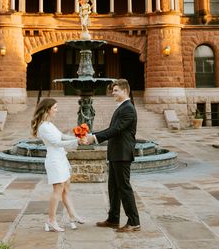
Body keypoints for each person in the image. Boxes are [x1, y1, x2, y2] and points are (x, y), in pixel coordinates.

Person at [82, 79, 140, 233]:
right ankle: (113, 218)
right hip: (116, 153)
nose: (112, 93)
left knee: (124, 188)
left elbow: (116, 130)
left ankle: (134, 222)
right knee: (113, 188)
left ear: (125, 91)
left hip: (122, 154)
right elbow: (112, 128)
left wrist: (93, 138)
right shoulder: (122, 107)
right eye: (112, 90)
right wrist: (93, 135)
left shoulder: (128, 108)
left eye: (115, 90)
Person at [31, 98, 85, 232]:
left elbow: (62, 136)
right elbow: (56, 143)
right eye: (55, 108)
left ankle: (73, 216)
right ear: (47, 109)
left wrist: (77, 138)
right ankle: (51, 220)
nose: (56, 110)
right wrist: (77, 143)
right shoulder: (43, 127)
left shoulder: (49, 124)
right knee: (58, 189)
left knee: (66, 188)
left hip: (61, 158)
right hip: (54, 160)